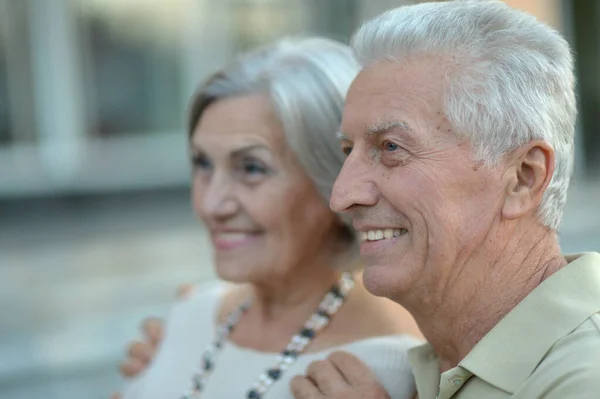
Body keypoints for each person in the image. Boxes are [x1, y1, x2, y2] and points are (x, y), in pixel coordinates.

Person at [289, 1, 600, 398]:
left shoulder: (586, 374)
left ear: (523, 177)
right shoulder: (423, 366)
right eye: (348, 150)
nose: (342, 196)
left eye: (391, 147)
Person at [114, 37, 422, 399]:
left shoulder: (386, 366)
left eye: (252, 168)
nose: (212, 204)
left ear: (336, 178)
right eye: (203, 164)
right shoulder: (191, 314)